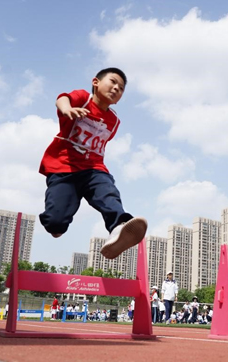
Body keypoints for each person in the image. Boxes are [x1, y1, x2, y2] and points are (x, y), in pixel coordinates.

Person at [38, 67, 147, 260]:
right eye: (112, 82)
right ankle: (56, 224)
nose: (116, 88)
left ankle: (118, 227)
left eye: (121, 88)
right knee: (56, 223)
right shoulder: (83, 98)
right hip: (64, 167)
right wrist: (67, 109)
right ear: (96, 82)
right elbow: (62, 98)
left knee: (107, 192)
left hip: (93, 169)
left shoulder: (113, 121)